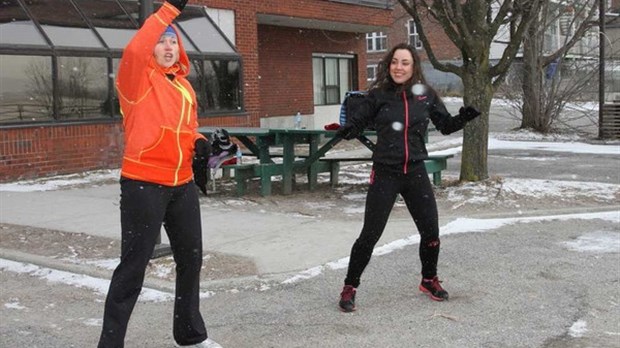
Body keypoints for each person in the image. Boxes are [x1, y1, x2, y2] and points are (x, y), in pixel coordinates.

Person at [97, 1, 221, 347]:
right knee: (133, 267)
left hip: (181, 183)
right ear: (152, 46)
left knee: (191, 258)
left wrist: (199, 142)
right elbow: (136, 48)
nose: (168, 47)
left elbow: (185, 128)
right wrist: (167, 12)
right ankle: (109, 343)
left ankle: (190, 333)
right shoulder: (136, 80)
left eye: (173, 42)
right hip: (144, 184)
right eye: (162, 41)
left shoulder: (183, 86)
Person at [336, 43, 481, 312]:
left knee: (431, 233)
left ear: (413, 67)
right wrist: (346, 130)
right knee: (370, 234)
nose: (398, 67)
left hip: (414, 172)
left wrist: (463, 118)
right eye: (394, 62)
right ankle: (350, 286)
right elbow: (356, 122)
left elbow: (445, 126)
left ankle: (429, 279)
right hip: (386, 173)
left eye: (404, 63)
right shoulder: (378, 96)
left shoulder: (425, 95)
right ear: (387, 65)